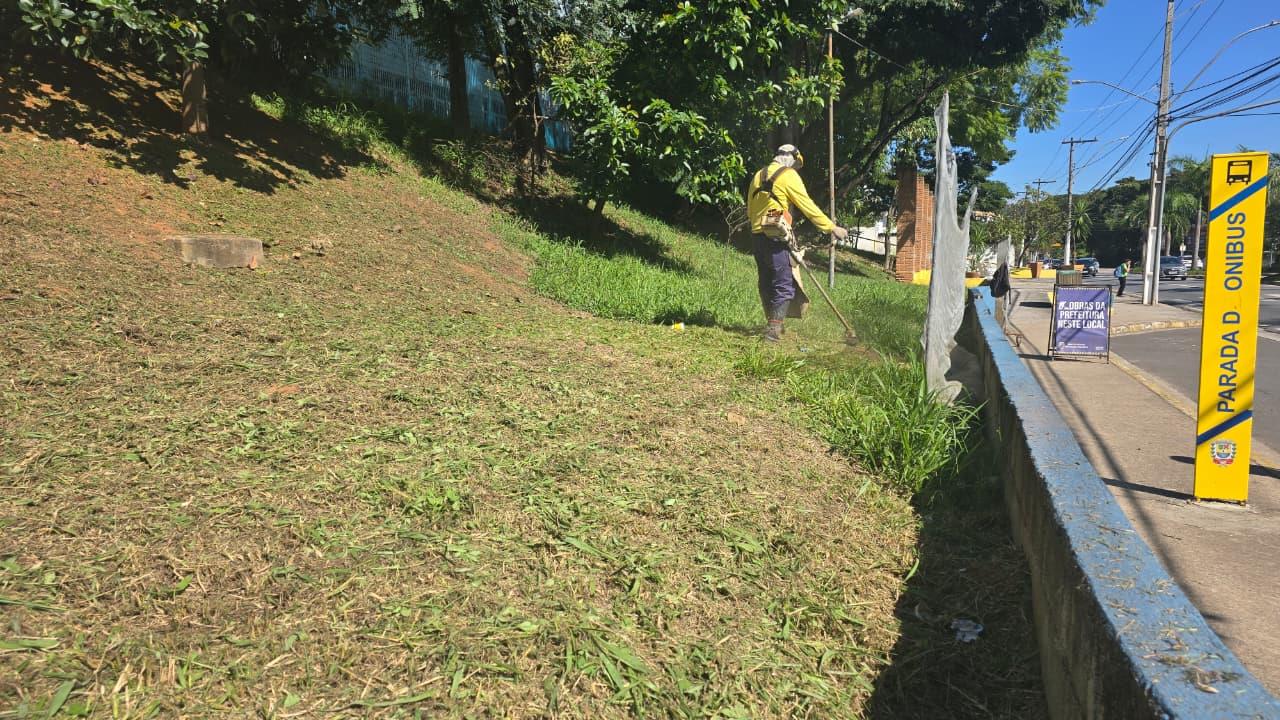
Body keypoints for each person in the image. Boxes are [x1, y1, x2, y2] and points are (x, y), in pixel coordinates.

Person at [746, 144, 849, 341]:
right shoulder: (788, 175)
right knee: (783, 282)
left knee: (766, 281)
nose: (795, 168)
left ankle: (773, 323)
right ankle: (773, 331)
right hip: (776, 238)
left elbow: (750, 211)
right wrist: (831, 228)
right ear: (792, 158)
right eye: (796, 164)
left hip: (757, 236)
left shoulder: (758, 175)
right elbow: (807, 205)